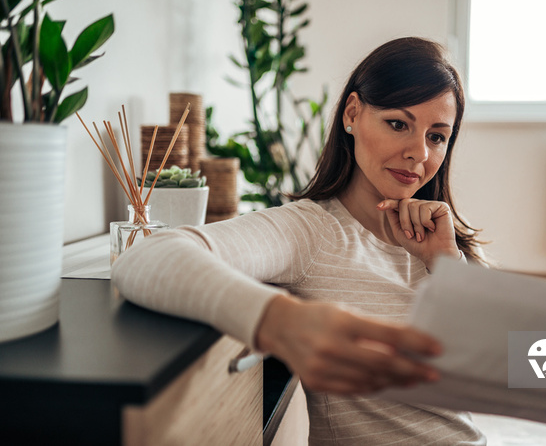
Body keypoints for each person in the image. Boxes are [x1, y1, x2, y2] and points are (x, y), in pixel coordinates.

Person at [113, 37, 487, 445]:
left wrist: (447, 264)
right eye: (398, 124)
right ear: (353, 114)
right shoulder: (311, 231)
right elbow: (147, 257)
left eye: (437, 136)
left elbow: (498, 371)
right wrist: (278, 321)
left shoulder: (444, 239)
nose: (419, 153)